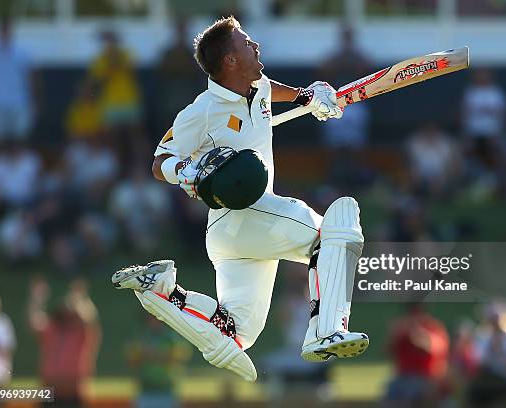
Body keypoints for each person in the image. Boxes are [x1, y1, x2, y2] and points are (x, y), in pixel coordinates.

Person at [111, 16, 368, 382]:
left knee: (235, 333)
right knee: (335, 231)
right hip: (244, 212)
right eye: (247, 43)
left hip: (233, 236)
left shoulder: (257, 86)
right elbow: (159, 162)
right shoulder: (201, 110)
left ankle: (163, 290)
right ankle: (327, 330)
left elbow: (270, 91)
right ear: (229, 60)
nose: (256, 46)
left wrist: (308, 96)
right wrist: (189, 172)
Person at [28, 278, 101, 407]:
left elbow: (90, 319)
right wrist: (37, 298)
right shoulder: (52, 330)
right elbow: (34, 320)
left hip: (73, 394)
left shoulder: (81, 333)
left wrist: (78, 298)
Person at [0, 17, 38, 145]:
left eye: (7, 30)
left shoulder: (23, 53)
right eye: (2, 30)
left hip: (20, 101)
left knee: (20, 138)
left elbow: (32, 77)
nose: (5, 33)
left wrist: (34, 99)